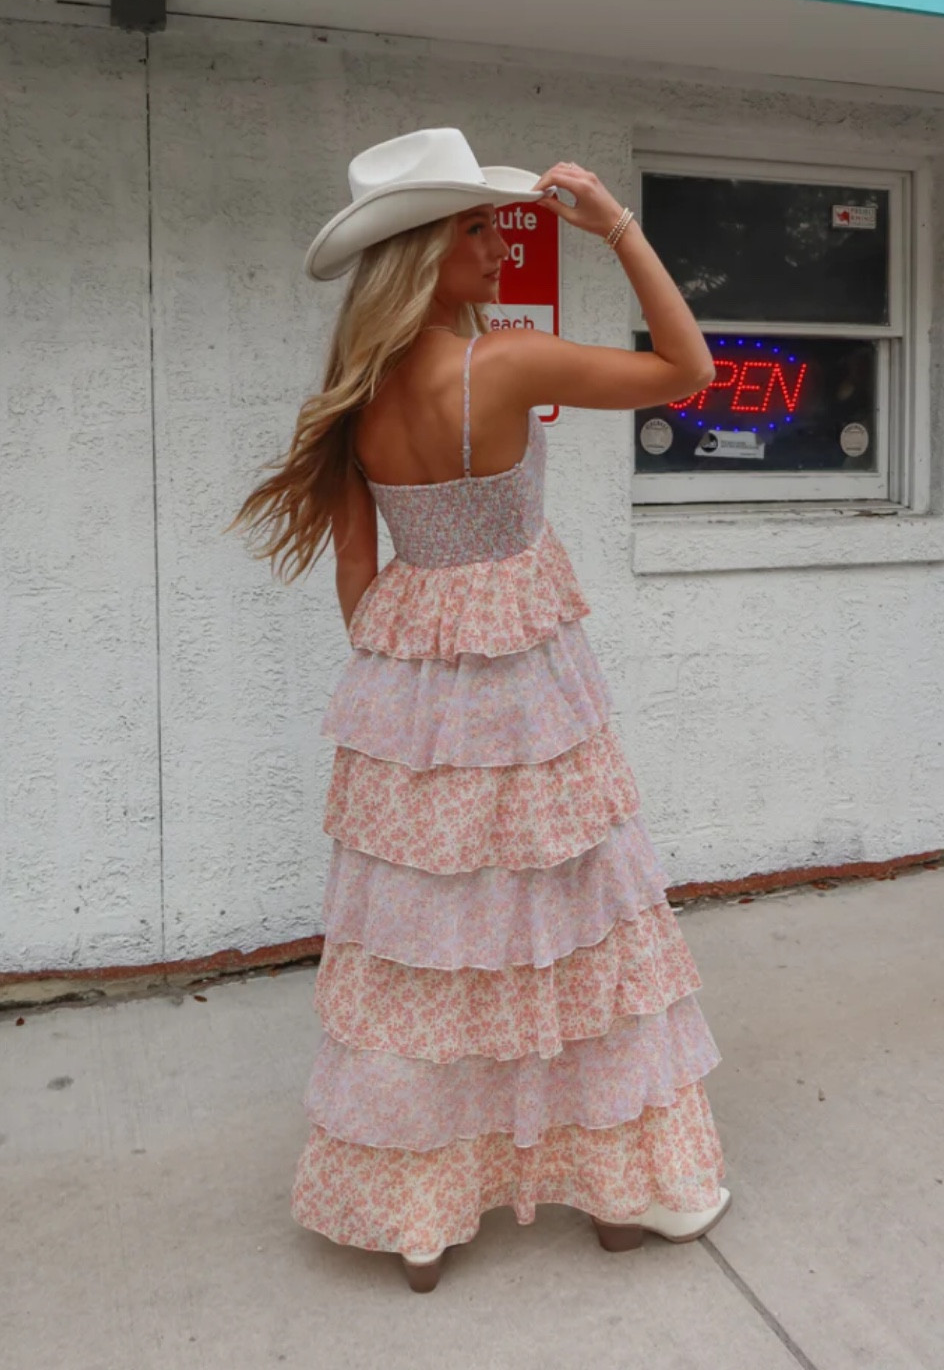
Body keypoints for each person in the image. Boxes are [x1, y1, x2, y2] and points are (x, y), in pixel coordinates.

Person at [231, 127, 731, 1293]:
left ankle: (420, 1217)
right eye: (471, 228)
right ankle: (617, 1190)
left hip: (409, 701)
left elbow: (359, 585)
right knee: (571, 927)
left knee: (433, 955)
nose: (498, 239)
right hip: (529, 698)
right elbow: (687, 369)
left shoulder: (353, 396)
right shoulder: (499, 366)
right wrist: (612, 225)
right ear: (420, 252)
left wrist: (413, 689)